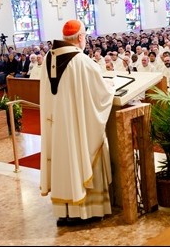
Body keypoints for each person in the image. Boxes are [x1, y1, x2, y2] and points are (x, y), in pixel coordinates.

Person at [39, 19, 115, 226]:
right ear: (80, 37)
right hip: (76, 127)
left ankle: (64, 212)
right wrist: (111, 86)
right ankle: (88, 211)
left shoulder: (48, 57)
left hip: (56, 126)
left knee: (62, 162)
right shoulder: (81, 61)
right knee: (83, 155)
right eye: (85, 37)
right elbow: (100, 93)